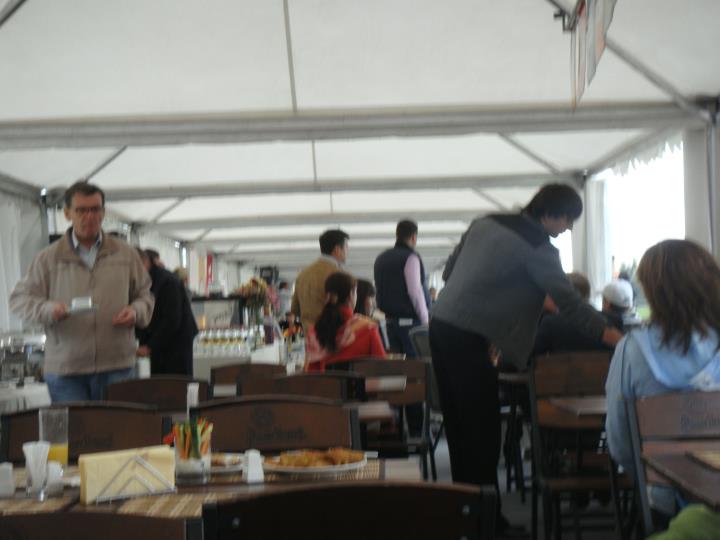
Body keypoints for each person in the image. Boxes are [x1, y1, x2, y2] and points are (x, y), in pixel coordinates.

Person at [430, 183, 622, 534]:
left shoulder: (485, 223)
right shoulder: (539, 249)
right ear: (554, 214)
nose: (568, 229)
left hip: (440, 325)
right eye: (568, 220)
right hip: (468, 337)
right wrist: (617, 339)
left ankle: (468, 513)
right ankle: (488, 524)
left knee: (459, 429)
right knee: (483, 433)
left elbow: (448, 272)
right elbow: (571, 304)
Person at [606, 239, 720, 520]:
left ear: (653, 292)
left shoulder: (631, 350)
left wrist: (650, 477)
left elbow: (620, 441)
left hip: (668, 502)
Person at [9, 181, 154, 402]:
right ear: (67, 213)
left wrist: (136, 311)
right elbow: (19, 299)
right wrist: (48, 309)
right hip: (66, 370)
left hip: (117, 365)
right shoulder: (48, 258)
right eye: (81, 210)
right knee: (74, 426)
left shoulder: (125, 254)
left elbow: (145, 295)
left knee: (118, 424)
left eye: (95, 209)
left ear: (103, 212)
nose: (89, 216)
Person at [305, 272, 386, 372]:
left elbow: (311, 372)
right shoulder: (368, 327)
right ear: (351, 295)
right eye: (355, 292)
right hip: (360, 382)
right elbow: (382, 368)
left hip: (325, 382)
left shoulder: (313, 332)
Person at [136, 249, 199, 376]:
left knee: (173, 382)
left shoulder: (166, 282)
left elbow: (172, 319)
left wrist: (150, 346)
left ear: (144, 262)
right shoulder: (150, 279)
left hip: (175, 344)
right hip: (164, 342)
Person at [532, 272, 625, 356]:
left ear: (564, 295)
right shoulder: (614, 321)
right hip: (607, 370)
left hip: (563, 370)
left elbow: (533, 355)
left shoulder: (550, 323)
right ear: (588, 294)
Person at [374, 219, 430, 356]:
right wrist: (425, 320)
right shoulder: (410, 257)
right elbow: (415, 291)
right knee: (415, 365)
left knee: (397, 364)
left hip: (389, 323)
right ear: (414, 237)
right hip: (411, 326)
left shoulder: (381, 258)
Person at [291, 229, 350, 330]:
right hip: (333, 335)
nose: (347, 251)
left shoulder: (302, 275)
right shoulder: (340, 276)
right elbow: (347, 309)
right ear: (337, 249)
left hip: (309, 336)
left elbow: (295, 309)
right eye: (346, 247)